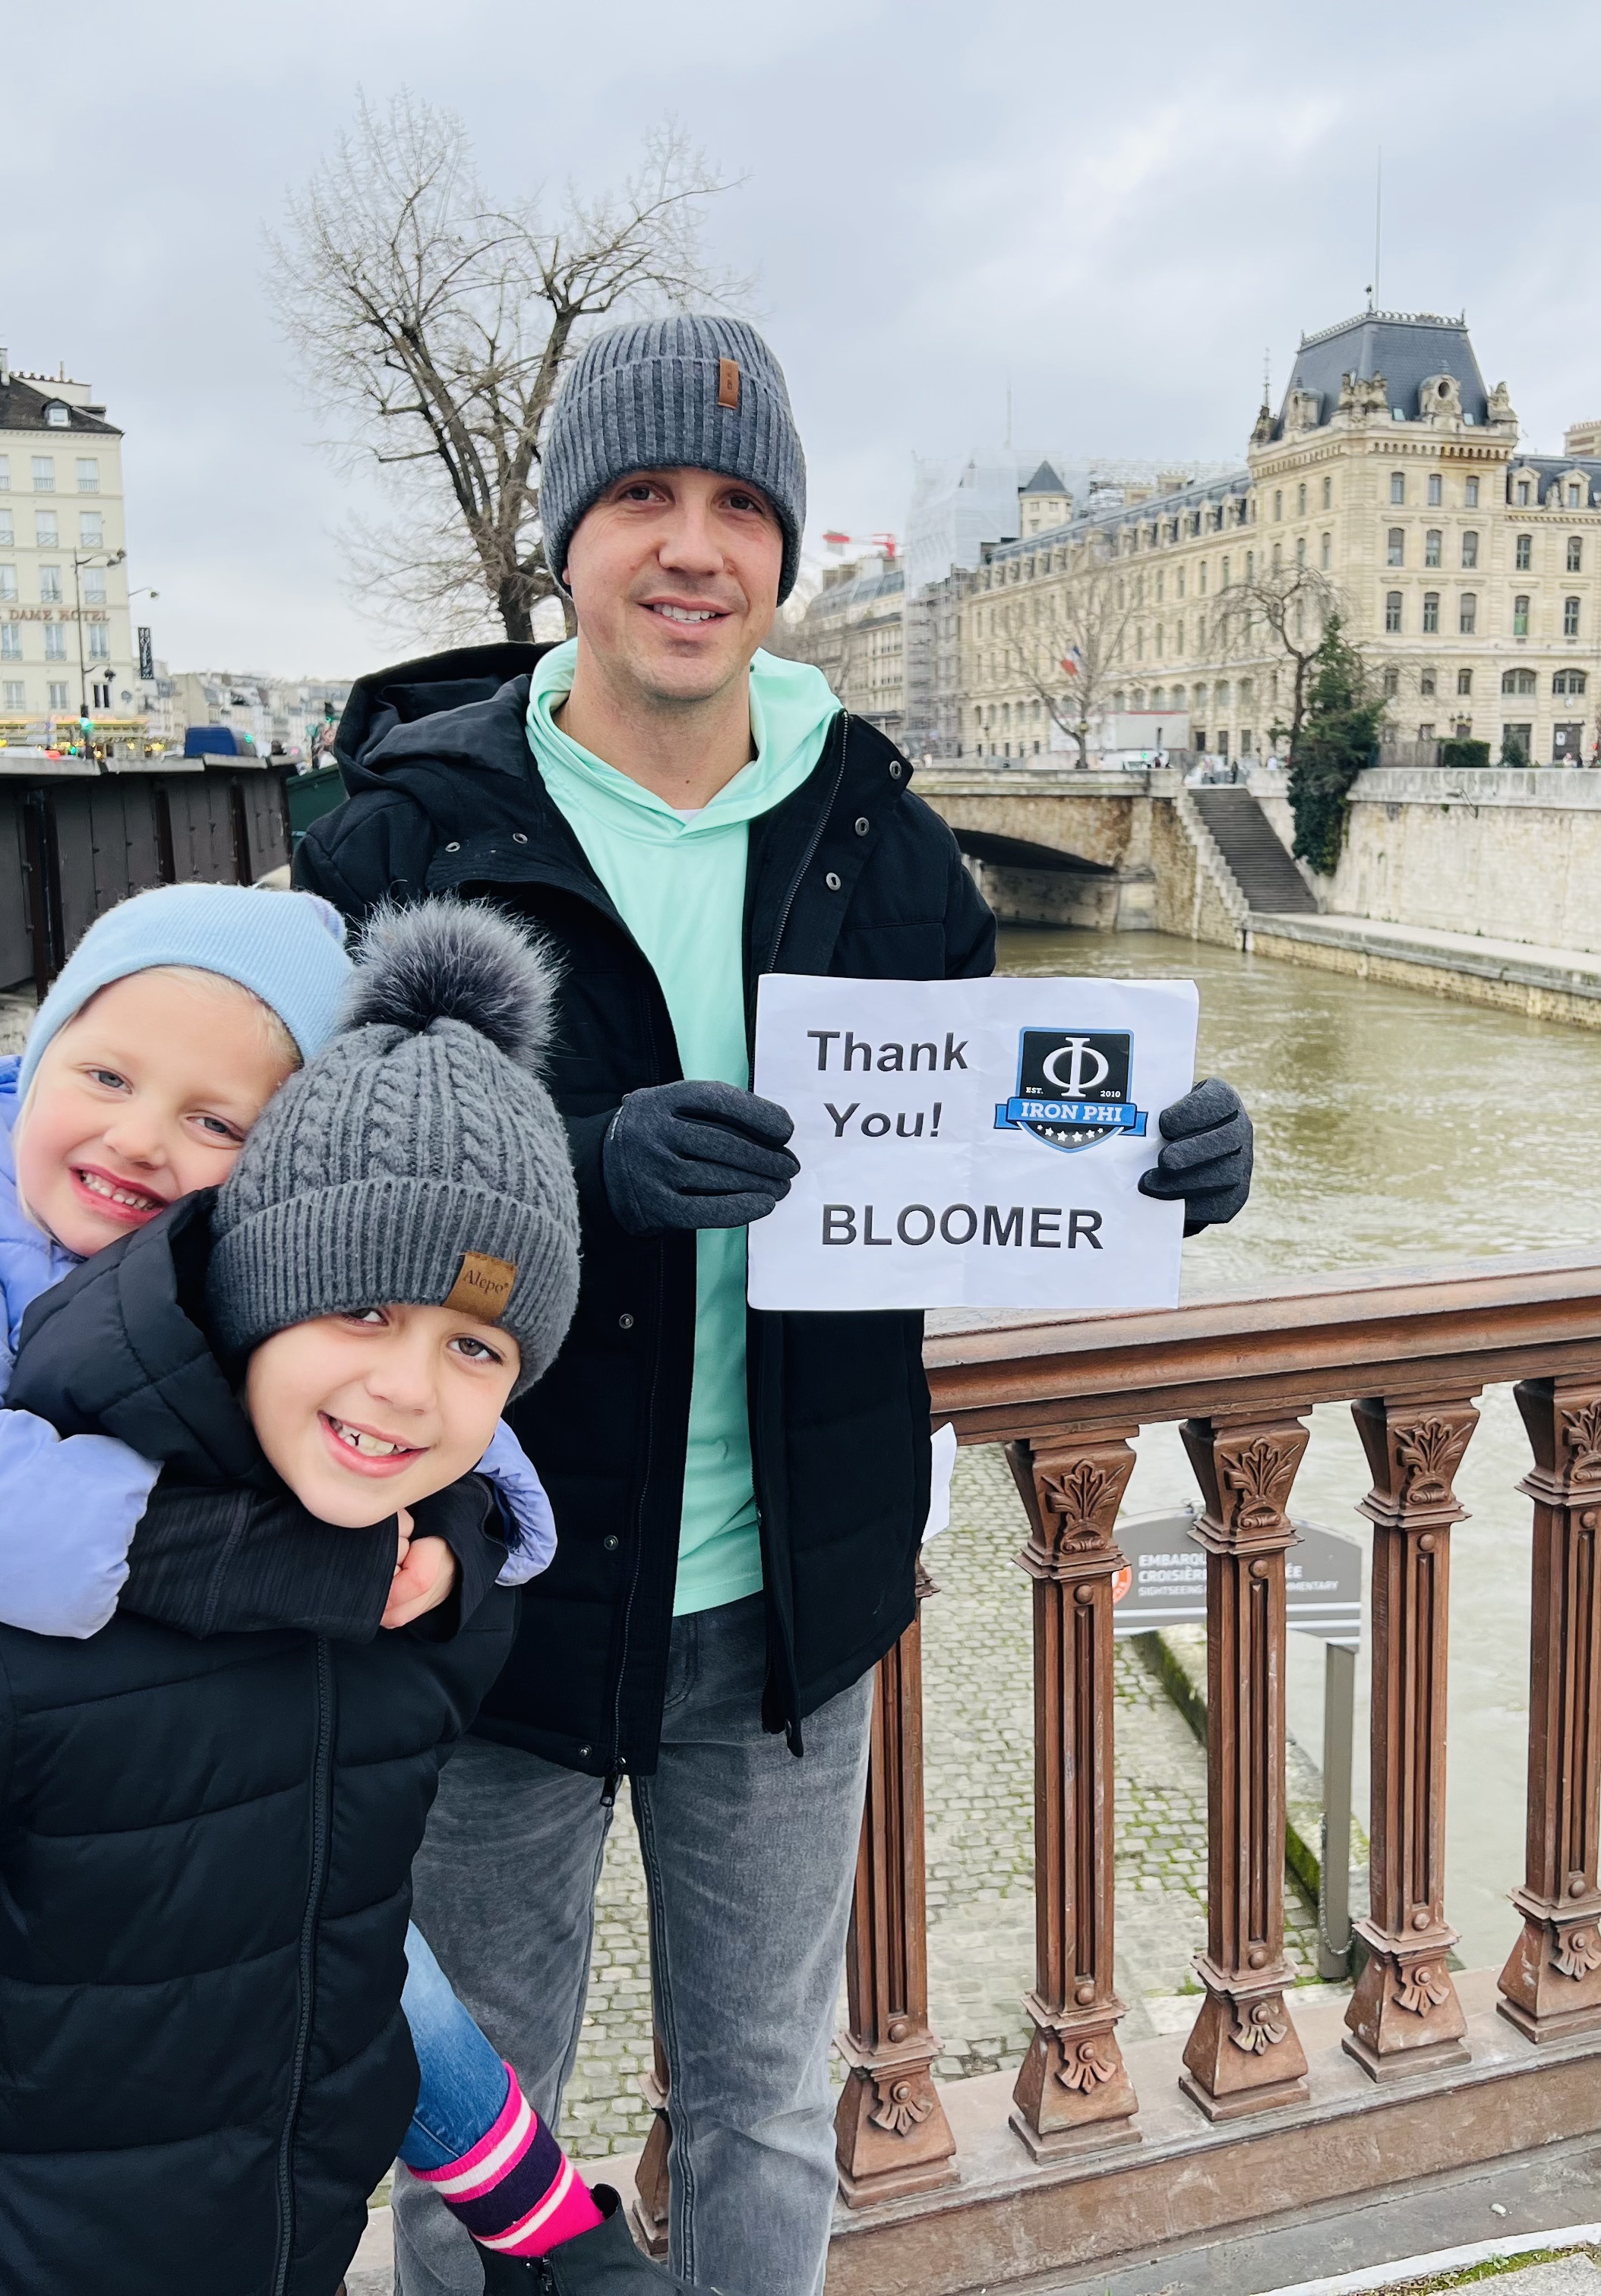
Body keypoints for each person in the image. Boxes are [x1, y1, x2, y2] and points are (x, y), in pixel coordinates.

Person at [295, 315, 1258, 2296]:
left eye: (740, 507)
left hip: (785, 1604)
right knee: (473, 2127)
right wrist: (585, 1166)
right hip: (487, 1587)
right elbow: (300, 1201)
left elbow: (981, 1158)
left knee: (761, 2098)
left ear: (785, 556)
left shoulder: (888, 843)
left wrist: (1151, 1160)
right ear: (566, 539)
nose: (692, 546)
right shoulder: (402, 837)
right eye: (642, 496)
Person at [0, 903, 687, 2296]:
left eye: (215, 1122)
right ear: (42, 1054)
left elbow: (433, 1391)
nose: (140, 1140)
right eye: (105, 1076)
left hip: (61, 1799)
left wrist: (453, 1536)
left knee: (335, 1933)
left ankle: (553, 2236)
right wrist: (290, 1562)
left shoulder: (278, 1289)